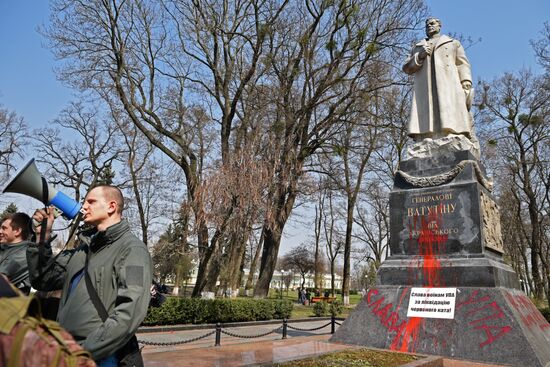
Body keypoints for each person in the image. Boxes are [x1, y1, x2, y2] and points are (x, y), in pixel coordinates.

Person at [27, 185, 152, 366]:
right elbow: (43, 279)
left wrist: (85, 350)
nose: (84, 207)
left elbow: (131, 312)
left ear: (111, 207)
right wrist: (41, 238)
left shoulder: (134, 251)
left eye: (91, 202)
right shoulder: (82, 251)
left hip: (101, 357)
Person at [403, 17, 474, 141]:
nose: (429, 26)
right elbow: (407, 68)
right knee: (427, 108)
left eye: (432, 24)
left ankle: (451, 132)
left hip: (448, 83)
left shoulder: (453, 43)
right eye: (427, 25)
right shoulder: (418, 47)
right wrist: (419, 56)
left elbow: (462, 63)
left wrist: (466, 80)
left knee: (448, 105)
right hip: (425, 85)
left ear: (439, 26)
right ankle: (426, 134)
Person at [0, 212, 33, 294]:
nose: (0, 231)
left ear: (17, 231)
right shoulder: (5, 248)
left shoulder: (25, 255)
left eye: (4, 228)